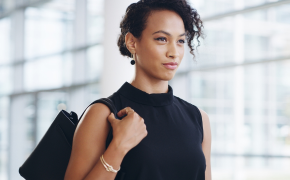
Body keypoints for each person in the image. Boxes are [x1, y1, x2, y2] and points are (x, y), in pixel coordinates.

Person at [64, 0, 211, 179]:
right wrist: (118, 146)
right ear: (132, 42)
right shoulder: (102, 114)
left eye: (180, 41)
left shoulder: (198, 118)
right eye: (162, 39)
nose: (174, 52)